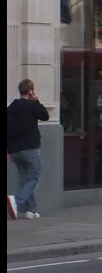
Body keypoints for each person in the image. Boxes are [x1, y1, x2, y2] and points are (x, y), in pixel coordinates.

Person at [7, 78, 49, 219]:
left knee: (26, 179)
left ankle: (31, 210)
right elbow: (45, 116)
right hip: (30, 148)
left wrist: (9, 151)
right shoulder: (32, 106)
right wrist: (36, 100)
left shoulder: (11, 108)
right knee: (35, 176)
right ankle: (16, 200)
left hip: (15, 150)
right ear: (31, 91)